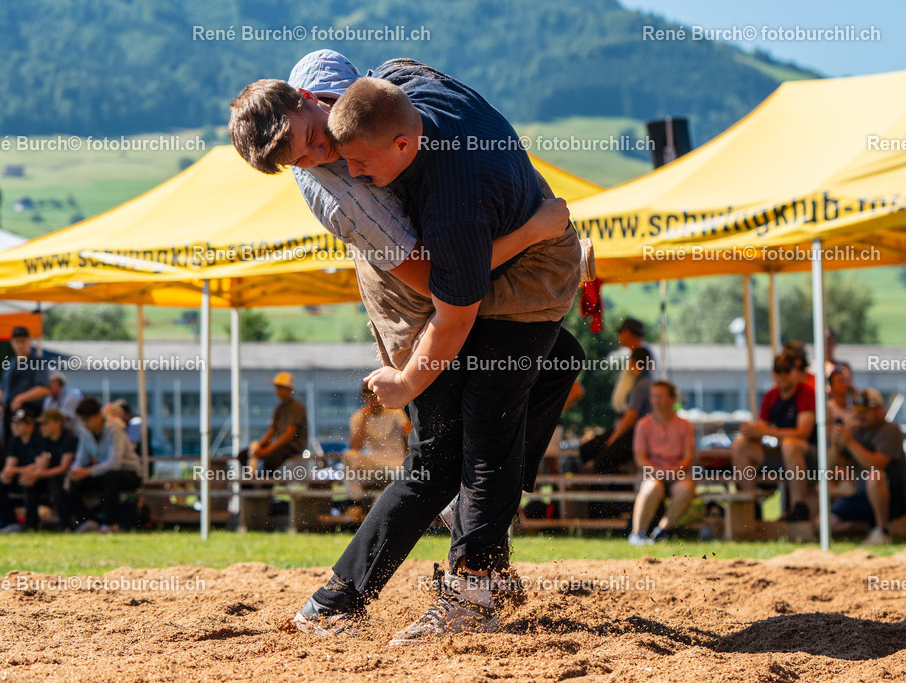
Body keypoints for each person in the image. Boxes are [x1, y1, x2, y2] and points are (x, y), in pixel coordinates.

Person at [230, 52, 584, 642]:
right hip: (433, 283)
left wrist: (408, 381)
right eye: (305, 158)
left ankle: (470, 561)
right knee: (450, 452)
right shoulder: (345, 191)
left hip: (496, 269)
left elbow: (455, 286)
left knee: (503, 414)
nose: (333, 161)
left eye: (319, 141)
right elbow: (437, 285)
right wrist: (533, 226)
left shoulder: (433, 177)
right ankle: (465, 552)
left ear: (310, 95)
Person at [731, 352, 816, 522]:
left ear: (796, 373)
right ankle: (751, 507)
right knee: (740, 445)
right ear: (773, 373)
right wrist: (751, 431)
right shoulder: (771, 396)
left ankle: (799, 507)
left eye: (787, 370)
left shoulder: (807, 393)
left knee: (790, 444)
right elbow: (762, 426)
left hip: (811, 457)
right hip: (783, 457)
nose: (782, 375)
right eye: (779, 370)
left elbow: (803, 433)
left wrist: (765, 432)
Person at [830, 388, 906, 545]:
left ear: (879, 410)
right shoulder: (855, 432)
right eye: (858, 411)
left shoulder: (890, 430)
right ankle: (867, 528)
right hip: (863, 497)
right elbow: (829, 466)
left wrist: (849, 443)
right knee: (823, 524)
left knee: (875, 476)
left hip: (894, 497)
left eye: (866, 411)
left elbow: (876, 464)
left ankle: (881, 530)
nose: (860, 415)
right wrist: (835, 443)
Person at [629, 381, 695, 545]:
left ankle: (661, 531)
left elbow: (688, 456)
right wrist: (656, 471)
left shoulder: (684, 425)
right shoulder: (643, 425)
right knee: (652, 487)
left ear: (672, 399)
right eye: (653, 396)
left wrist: (675, 470)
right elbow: (640, 458)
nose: (656, 400)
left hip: (677, 472)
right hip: (652, 472)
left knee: (685, 489)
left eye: (660, 396)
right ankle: (637, 533)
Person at [68, 397, 141, 533]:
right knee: (73, 481)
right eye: (82, 420)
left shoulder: (115, 430)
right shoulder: (86, 434)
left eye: (87, 420)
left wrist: (87, 472)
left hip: (130, 474)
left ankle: (109, 524)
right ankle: (86, 521)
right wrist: (74, 472)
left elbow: (115, 463)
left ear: (97, 416)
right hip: (104, 473)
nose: (85, 424)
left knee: (111, 477)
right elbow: (80, 459)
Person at [581, 346, 654, 475]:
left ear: (632, 362)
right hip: (637, 431)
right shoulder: (646, 381)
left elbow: (631, 416)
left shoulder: (641, 384)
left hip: (635, 432)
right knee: (593, 451)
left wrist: (613, 439)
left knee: (598, 457)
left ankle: (596, 482)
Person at [342, 383, 411, 491]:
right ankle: (355, 500)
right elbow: (355, 447)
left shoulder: (395, 411)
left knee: (405, 472)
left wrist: (410, 455)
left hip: (396, 462)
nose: (375, 402)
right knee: (348, 456)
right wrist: (364, 420)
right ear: (364, 398)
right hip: (373, 462)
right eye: (371, 398)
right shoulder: (358, 417)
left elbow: (409, 432)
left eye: (377, 397)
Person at [0, 326, 51, 446]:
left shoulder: (38, 362)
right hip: (10, 411)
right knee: (10, 444)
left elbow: (44, 389)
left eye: (22, 341)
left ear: (29, 341)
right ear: (12, 343)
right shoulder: (11, 363)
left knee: (29, 445)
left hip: (29, 411)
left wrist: (21, 398)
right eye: (16, 341)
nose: (19, 345)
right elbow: (2, 387)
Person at [249, 372, 308, 476]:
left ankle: (265, 488)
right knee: (244, 455)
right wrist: (259, 446)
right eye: (277, 388)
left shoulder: (296, 407)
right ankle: (251, 485)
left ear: (290, 389)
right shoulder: (279, 408)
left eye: (281, 388)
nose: (278, 390)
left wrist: (267, 450)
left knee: (270, 461)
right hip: (282, 445)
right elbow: (272, 431)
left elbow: (289, 435)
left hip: (293, 446)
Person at [0, 408, 48, 532]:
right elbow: (10, 463)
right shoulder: (15, 440)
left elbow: (38, 465)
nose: (15, 427)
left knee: (28, 480)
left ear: (30, 425)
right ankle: (11, 523)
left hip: (40, 478)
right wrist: (6, 474)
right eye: (13, 423)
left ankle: (31, 525)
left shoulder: (38, 439)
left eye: (19, 424)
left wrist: (14, 470)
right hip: (21, 475)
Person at [27, 409, 76, 531]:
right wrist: (33, 475)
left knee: (55, 482)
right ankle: (31, 526)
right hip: (52, 476)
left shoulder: (68, 439)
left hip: (68, 477)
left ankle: (66, 525)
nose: (42, 428)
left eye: (45, 424)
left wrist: (38, 474)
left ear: (57, 423)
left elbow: (64, 468)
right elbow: (43, 463)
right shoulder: (47, 440)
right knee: (30, 483)